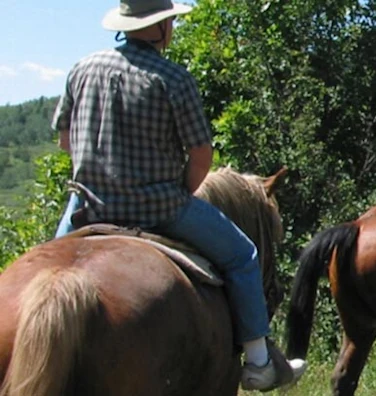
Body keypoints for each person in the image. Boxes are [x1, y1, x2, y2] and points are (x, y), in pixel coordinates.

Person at [51, 0, 303, 390]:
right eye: (169, 20)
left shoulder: (83, 68)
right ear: (160, 27)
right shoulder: (172, 77)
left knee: (47, 267)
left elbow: (66, 142)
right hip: (158, 207)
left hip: (87, 204)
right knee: (242, 256)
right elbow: (202, 155)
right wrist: (181, 192)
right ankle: (258, 362)